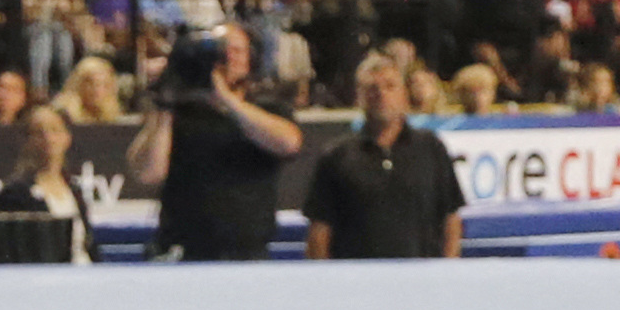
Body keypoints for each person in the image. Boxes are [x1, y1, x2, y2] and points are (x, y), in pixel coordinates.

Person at [123, 25, 301, 261]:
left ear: (251, 59)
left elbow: (288, 143)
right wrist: (166, 101)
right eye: (220, 51)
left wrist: (225, 98)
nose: (227, 58)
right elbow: (148, 173)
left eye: (236, 51)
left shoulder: (268, 108)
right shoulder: (180, 112)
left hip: (247, 253)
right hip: (183, 251)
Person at [304, 56, 466, 260]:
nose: (381, 94)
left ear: (404, 94)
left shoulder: (431, 148)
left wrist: (448, 270)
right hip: (356, 283)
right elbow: (320, 230)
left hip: (423, 281)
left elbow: (451, 219)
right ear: (359, 96)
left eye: (390, 86)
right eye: (372, 88)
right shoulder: (337, 156)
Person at [0, 102, 93, 263]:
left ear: (67, 137)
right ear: (27, 140)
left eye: (55, 130)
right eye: (39, 132)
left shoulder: (74, 188)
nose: (48, 138)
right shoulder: (15, 192)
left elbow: (90, 244)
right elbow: (10, 251)